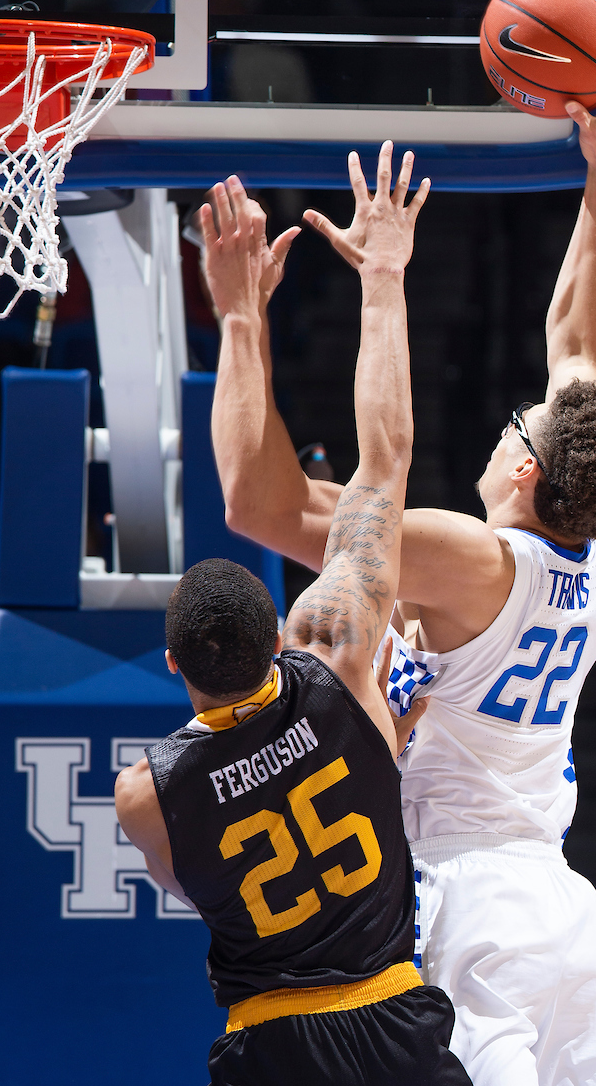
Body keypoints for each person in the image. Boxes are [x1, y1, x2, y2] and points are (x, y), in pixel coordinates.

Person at [206, 35, 596, 1086]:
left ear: (528, 477)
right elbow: (582, 354)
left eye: (514, 429)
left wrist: (239, 322)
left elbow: (266, 507)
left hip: (473, 906)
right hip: (563, 912)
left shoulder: (474, 562)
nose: (504, 430)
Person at [114, 150, 472, 1086]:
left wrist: (237, 316)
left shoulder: (146, 792)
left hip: (270, 1040)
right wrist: (379, 275)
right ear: (280, 632)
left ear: (171, 664)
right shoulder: (338, 651)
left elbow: (185, 878)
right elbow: (383, 458)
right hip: (394, 1014)